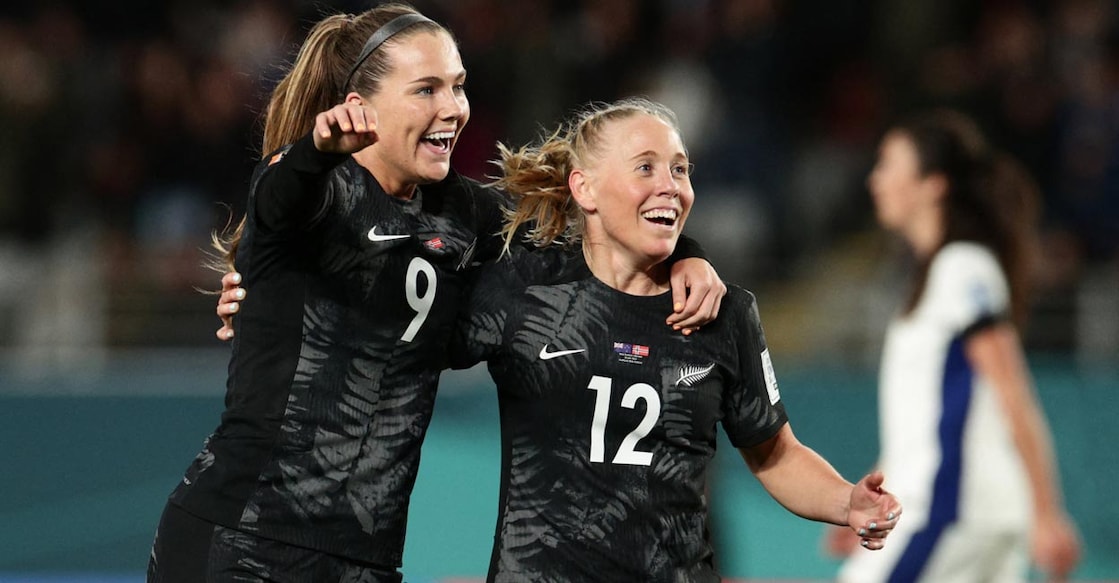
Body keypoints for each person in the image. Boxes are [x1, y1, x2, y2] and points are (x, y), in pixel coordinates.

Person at [149, 4, 725, 583]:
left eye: (458, 87)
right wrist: (316, 152)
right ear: (358, 108)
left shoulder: (463, 213)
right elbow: (277, 199)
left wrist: (687, 252)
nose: (452, 108)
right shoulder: (320, 188)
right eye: (426, 89)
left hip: (364, 562)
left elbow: (601, 230)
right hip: (242, 541)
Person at [449, 97, 902, 580]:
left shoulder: (724, 313)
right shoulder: (524, 292)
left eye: (680, 170)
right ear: (584, 188)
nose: (670, 187)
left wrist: (844, 499)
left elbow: (776, 454)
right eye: (645, 167)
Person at [824, 110, 1082, 582]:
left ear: (932, 184)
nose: (874, 180)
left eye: (887, 164)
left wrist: (1048, 512)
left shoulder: (962, 267)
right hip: (974, 515)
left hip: (951, 512)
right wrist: (872, 505)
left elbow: (1012, 392)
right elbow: (923, 426)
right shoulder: (946, 273)